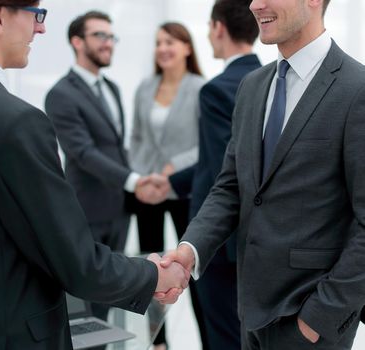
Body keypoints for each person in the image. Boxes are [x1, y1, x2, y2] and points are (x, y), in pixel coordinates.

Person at [0, 2, 189, 349]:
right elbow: (80, 267)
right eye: (36, 14)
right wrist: (154, 273)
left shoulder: (114, 90)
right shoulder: (17, 121)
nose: (40, 29)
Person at [159, 0, 365, 349]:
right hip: (249, 311)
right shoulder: (253, 86)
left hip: (311, 322)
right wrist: (190, 249)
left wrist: (319, 318)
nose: (255, 4)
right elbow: (230, 186)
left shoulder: (356, 89)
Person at [45, 11, 168, 322]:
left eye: (111, 37)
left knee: (109, 304)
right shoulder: (61, 94)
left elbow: (115, 148)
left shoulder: (111, 87)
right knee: (84, 306)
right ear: (76, 41)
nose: (108, 43)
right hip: (87, 212)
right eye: (100, 35)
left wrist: (140, 181)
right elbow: (83, 153)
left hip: (118, 211)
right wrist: (133, 180)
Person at [169, 0, 261, 348]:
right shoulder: (267, 82)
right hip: (255, 239)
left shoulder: (217, 89)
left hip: (219, 244)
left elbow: (225, 168)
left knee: (221, 335)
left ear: (218, 28)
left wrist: (169, 184)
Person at [129, 22, 206, 350]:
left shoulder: (201, 88)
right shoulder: (145, 87)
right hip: (148, 192)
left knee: (195, 270)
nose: (163, 48)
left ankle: (209, 339)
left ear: (187, 48)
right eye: (159, 42)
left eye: (171, 41)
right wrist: (141, 177)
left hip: (183, 192)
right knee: (151, 269)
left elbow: (208, 144)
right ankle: (158, 342)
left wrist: (172, 170)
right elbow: (135, 138)